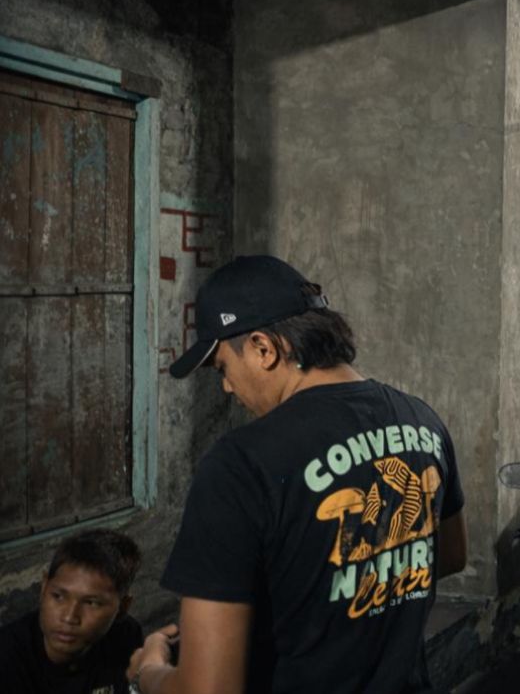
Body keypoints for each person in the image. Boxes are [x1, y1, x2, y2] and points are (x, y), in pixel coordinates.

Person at [128, 255, 467, 694]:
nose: (227, 387)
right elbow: (449, 554)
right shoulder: (421, 420)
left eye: (222, 368)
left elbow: (209, 689)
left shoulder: (239, 465)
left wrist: (148, 672)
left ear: (263, 348)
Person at [0, 529, 143, 694]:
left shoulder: (126, 636)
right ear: (44, 587)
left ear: (123, 607)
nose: (69, 617)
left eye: (92, 603)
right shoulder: (6, 657)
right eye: (58, 596)